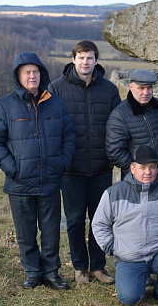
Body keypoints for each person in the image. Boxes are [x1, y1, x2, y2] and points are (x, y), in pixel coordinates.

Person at [0, 52, 76, 290]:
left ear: (41, 74)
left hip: (50, 179)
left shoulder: (55, 102)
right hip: (20, 182)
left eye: (35, 71)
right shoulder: (5, 105)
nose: (32, 76)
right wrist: (12, 168)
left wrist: (62, 163)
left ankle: (51, 273)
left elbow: (68, 135)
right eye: (27, 72)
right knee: (25, 233)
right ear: (18, 76)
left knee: (51, 231)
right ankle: (33, 273)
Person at [48, 40, 121, 285]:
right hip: (71, 169)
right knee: (76, 220)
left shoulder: (109, 90)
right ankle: (80, 267)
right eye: (80, 58)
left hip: (101, 166)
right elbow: (50, 126)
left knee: (100, 219)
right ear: (74, 59)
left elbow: (117, 126)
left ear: (96, 60)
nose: (85, 62)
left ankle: (98, 267)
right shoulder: (57, 88)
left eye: (89, 58)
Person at [92, 145, 158, 306]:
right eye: (142, 168)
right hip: (129, 257)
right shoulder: (114, 193)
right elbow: (99, 224)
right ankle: (136, 282)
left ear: (157, 168)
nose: (148, 172)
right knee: (129, 298)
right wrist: (112, 247)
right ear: (132, 169)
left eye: (152, 167)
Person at [106, 69, 158, 183]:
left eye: (149, 88)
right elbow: (114, 150)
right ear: (131, 87)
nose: (146, 92)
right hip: (137, 181)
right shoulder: (120, 114)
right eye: (141, 88)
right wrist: (136, 170)